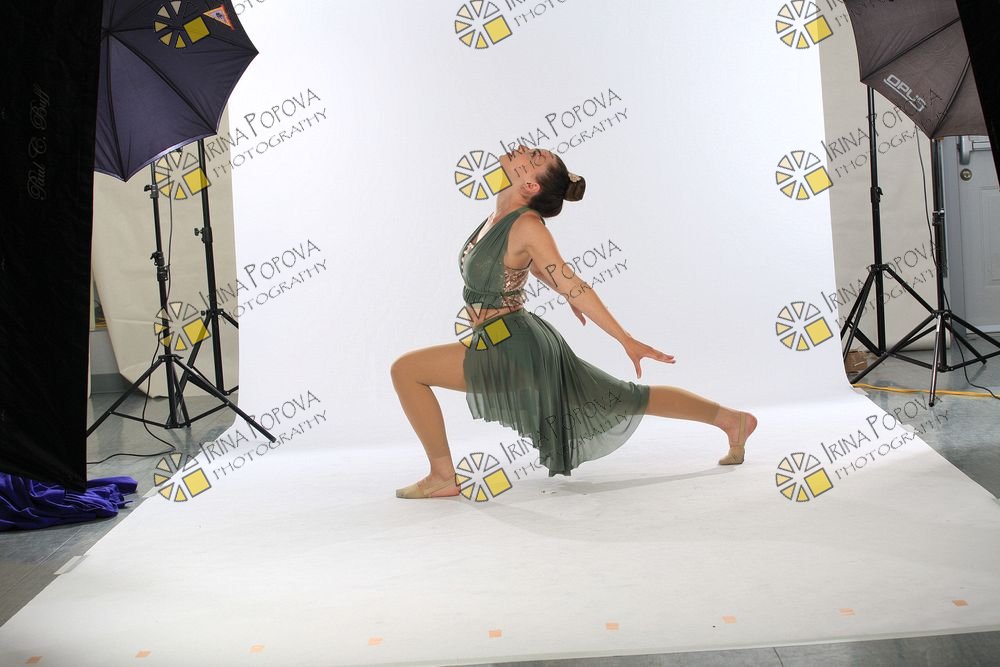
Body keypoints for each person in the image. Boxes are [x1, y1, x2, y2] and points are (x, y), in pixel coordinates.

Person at [390, 145, 757, 499]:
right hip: (507, 336)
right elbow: (527, 265)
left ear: (530, 185)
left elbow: (574, 284)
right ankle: (732, 420)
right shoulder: (499, 217)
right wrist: (561, 291)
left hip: (510, 346)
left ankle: (442, 477)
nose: (523, 147)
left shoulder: (527, 226)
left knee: (406, 371)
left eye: (534, 156)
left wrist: (624, 338)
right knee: (621, 397)